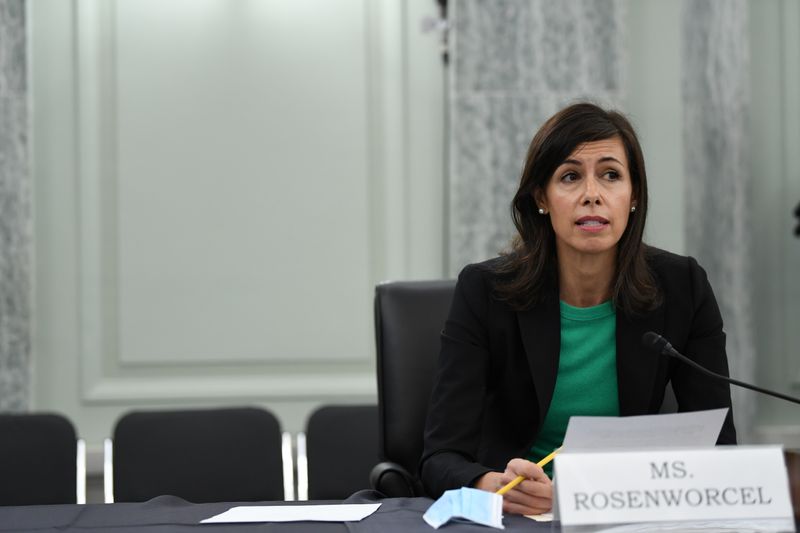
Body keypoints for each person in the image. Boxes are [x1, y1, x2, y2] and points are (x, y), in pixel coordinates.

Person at [419, 103, 737, 516]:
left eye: (611, 175)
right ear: (542, 198)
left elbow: (719, 449)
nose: (592, 194)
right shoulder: (485, 291)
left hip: (625, 509)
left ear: (634, 195)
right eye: (570, 177)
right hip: (520, 514)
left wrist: (584, 496)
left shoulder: (683, 287)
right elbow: (440, 457)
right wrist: (491, 485)